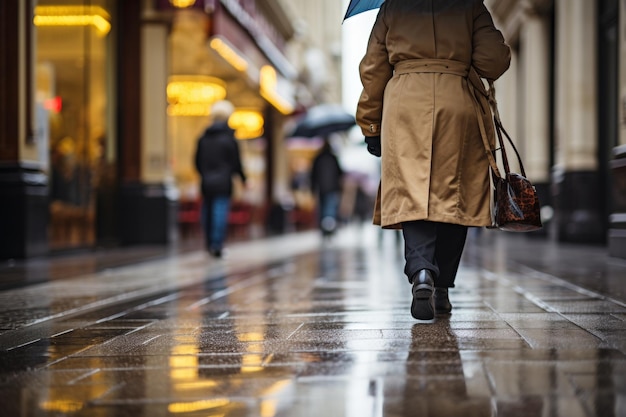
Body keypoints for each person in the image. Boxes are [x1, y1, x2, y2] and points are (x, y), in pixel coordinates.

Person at [356, 0, 511, 320]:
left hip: (405, 104)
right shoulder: (469, 6)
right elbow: (493, 61)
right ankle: (441, 287)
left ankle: (421, 272)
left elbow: (373, 70)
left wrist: (371, 125)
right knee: (457, 194)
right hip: (458, 102)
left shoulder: (393, 8)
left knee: (413, 191)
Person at [194, 100, 246, 258]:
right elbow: (236, 162)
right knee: (219, 212)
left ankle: (209, 244)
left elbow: (196, 161)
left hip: (206, 182)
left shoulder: (203, 138)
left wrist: (204, 174)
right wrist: (243, 179)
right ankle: (217, 245)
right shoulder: (229, 139)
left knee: (207, 212)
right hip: (223, 182)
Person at [310, 137, 344, 236]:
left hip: (321, 188)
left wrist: (312, 188)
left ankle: (324, 228)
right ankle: (330, 227)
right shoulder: (333, 158)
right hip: (332, 188)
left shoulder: (318, 158)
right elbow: (340, 173)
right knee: (330, 208)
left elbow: (313, 175)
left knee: (323, 207)